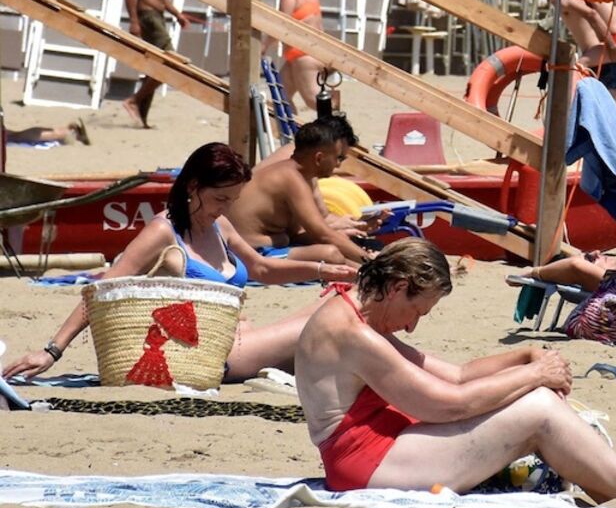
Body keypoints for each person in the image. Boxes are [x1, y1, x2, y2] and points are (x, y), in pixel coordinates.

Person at [295, 240, 616, 504]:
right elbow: (446, 404)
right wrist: (535, 376)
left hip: (378, 449)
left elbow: (458, 375)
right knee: (536, 407)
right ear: (396, 288)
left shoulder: (356, 310)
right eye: (416, 311)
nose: (411, 325)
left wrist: (524, 356)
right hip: (365, 467)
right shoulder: (354, 334)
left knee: (532, 396)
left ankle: (611, 484)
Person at [3, 142, 354, 382]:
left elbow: (262, 269)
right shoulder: (163, 231)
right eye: (220, 198)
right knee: (341, 321)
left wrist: (324, 271)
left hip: (239, 339)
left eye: (232, 199)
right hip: (206, 354)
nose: (226, 207)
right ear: (194, 186)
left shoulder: (219, 224)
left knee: (345, 299)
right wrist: (52, 351)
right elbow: (101, 290)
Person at [227, 117, 377, 265]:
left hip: (260, 245)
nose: (338, 165)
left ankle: (369, 271)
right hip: (249, 254)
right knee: (330, 254)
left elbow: (307, 232)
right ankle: (373, 272)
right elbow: (323, 234)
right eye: (339, 158)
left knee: (337, 246)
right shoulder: (291, 179)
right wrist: (371, 262)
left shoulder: (294, 173)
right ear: (319, 158)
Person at [123, 0, 205, 128]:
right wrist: (133, 20)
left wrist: (177, 14)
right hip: (147, 16)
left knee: (156, 66)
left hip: (157, 15)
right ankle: (133, 101)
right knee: (171, 63)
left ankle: (141, 116)